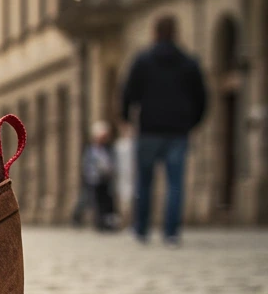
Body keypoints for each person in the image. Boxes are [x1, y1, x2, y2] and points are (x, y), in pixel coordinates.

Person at [120, 16, 207, 245]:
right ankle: (171, 232)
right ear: (175, 33)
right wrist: (191, 122)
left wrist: (127, 118)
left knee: (144, 183)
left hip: (149, 129)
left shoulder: (143, 61)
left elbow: (128, 92)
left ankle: (141, 229)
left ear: (155, 33)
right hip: (178, 131)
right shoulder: (189, 62)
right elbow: (202, 98)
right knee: (175, 184)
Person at [81, 120, 118, 232]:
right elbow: (87, 164)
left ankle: (107, 223)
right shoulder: (90, 149)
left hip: (105, 179)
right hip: (94, 179)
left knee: (107, 201)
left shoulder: (108, 149)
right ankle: (98, 222)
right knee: (95, 201)